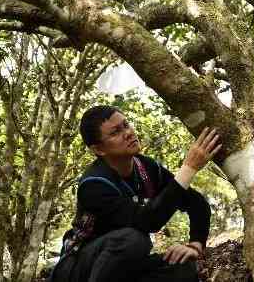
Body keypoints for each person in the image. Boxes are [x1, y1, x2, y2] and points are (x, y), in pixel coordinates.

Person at [50, 105, 222, 282]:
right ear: (99, 150)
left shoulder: (146, 168)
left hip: (122, 267)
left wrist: (195, 245)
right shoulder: (93, 185)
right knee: (134, 239)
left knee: (182, 267)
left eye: (126, 125)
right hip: (78, 270)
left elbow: (196, 203)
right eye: (115, 132)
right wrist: (189, 168)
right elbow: (147, 221)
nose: (128, 133)